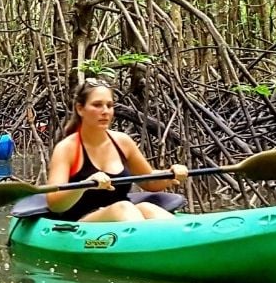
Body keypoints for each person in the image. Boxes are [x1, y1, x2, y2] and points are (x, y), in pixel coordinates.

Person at [42, 79, 188, 222]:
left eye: (109, 105)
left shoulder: (123, 142)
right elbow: (54, 203)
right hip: (83, 222)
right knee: (124, 208)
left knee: (147, 208)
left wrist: (170, 174)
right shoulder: (66, 149)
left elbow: (149, 181)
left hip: (123, 217)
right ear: (80, 109)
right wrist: (84, 185)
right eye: (97, 105)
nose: (105, 111)